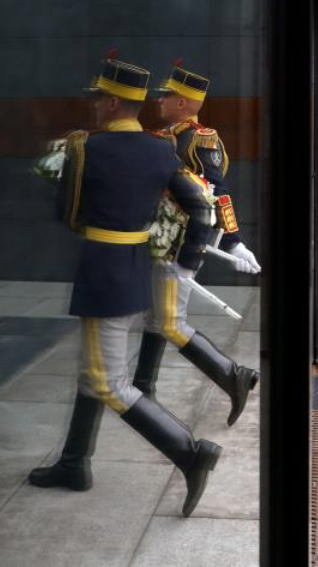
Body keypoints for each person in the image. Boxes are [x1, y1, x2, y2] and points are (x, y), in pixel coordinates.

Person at [27, 51, 221, 518]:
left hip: (103, 266)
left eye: (100, 99)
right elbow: (200, 208)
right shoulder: (161, 150)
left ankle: (189, 454)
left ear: (113, 103)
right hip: (136, 264)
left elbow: (67, 213)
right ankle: (74, 462)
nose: (95, 105)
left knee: (106, 381)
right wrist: (184, 260)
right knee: (92, 371)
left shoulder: (85, 148)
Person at [133, 61, 260, 426]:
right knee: (156, 317)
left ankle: (232, 377)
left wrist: (234, 241)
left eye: (168, 95)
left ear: (185, 102)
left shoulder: (199, 138)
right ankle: (144, 387)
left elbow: (217, 193)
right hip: (161, 237)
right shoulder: (165, 135)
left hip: (182, 241)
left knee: (170, 321)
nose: (160, 100)